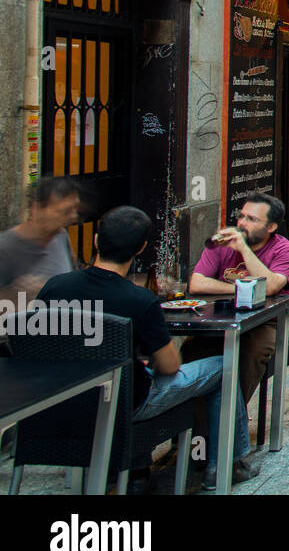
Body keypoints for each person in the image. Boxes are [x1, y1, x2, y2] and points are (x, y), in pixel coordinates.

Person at [37, 206, 258, 491]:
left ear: (95, 241)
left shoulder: (55, 287)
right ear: (140, 248)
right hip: (127, 403)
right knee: (221, 366)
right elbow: (169, 367)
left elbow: (44, 342)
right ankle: (227, 464)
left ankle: (137, 466)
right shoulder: (140, 299)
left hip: (63, 399)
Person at [186, 193, 289, 415]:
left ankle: (227, 421)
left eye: (252, 219)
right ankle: (189, 427)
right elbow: (196, 284)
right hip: (222, 319)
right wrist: (241, 288)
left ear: (271, 227)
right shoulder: (219, 244)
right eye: (241, 217)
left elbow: (270, 288)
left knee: (251, 352)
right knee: (192, 351)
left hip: (266, 323)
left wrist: (244, 249)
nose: (242, 224)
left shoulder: (283, 250)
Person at [0, 176, 81, 352]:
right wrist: (17, 295)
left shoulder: (61, 236)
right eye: (65, 211)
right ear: (37, 209)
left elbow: (72, 278)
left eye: (75, 210)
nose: (73, 217)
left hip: (63, 339)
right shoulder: (5, 248)